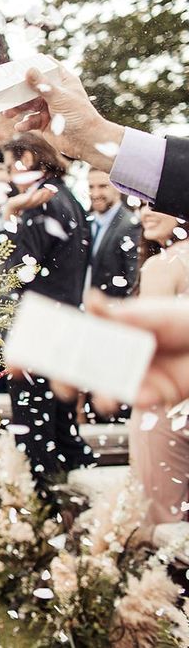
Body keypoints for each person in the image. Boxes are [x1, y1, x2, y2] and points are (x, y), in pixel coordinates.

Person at [1, 133, 95, 482]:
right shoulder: (68, 197)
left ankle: (41, 504)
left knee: (32, 419)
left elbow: (18, 270)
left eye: (11, 164)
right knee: (59, 417)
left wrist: (8, 215)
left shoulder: (36, 202)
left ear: (28, 157)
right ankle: (71, 495)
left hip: (39, 323)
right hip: (66, 319)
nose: (10, 173)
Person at [3, 62, 189, 220]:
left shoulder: (43, 200)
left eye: (10, 167)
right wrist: (92, 137)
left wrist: (8, 213)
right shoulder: (59, 197)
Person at [126, 207, 189, 530]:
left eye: (156, 204)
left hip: (165, 407)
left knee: (163, 524)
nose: (145, 213)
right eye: (141, 205)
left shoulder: (162, 265)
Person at [86, 169, 140, 297]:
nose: (95, 193)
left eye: (103, 186)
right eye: (91, 187)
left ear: (118, 187)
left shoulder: (131, 225)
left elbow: (133, 279)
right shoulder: (85, 222)